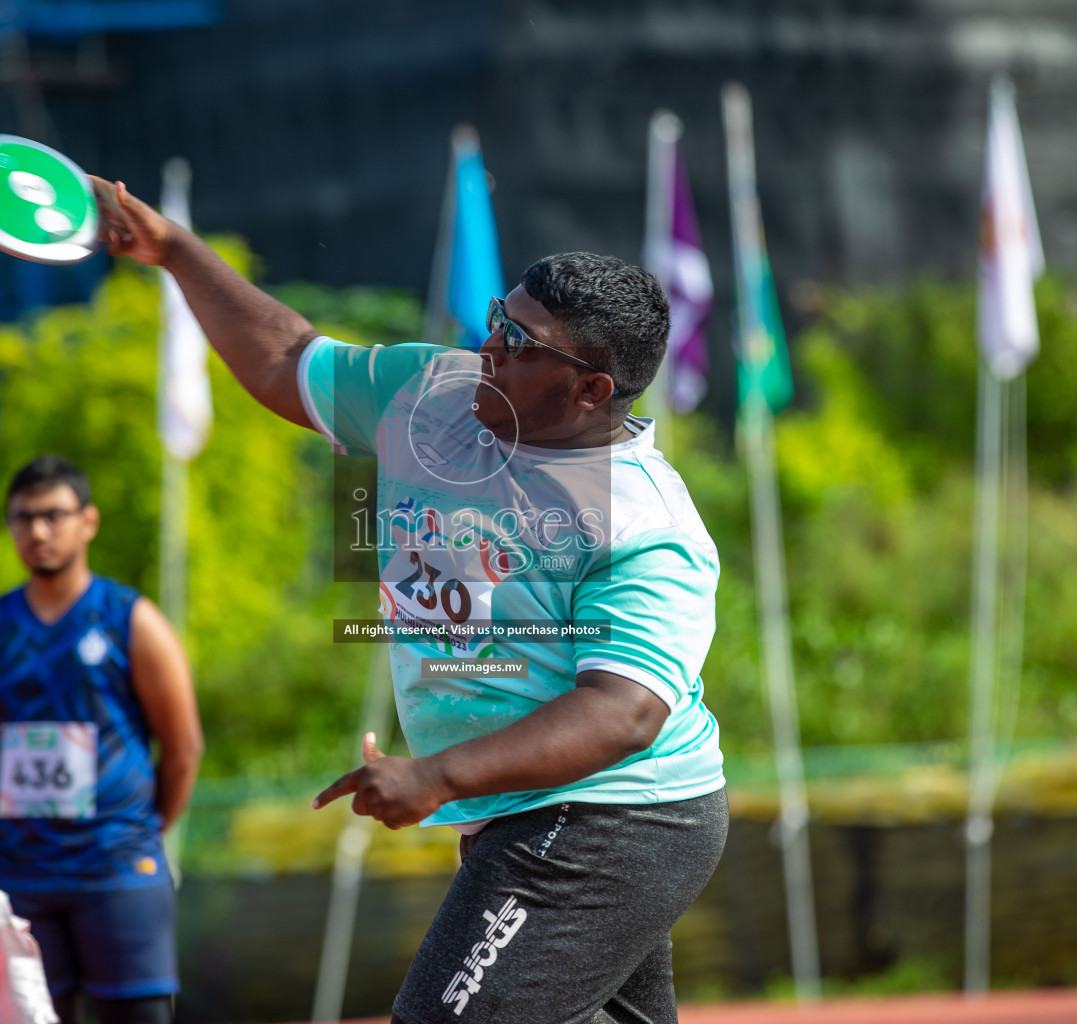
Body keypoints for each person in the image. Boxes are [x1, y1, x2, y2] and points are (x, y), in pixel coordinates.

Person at [94, 178, 728, 1024]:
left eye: (522, 342)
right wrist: (173, 249)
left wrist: (436, 774)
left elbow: (621, 715)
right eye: (501, 318)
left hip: (618, 814)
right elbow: (289, 358)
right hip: (530, 810)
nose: (491, 344)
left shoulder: (643, 521)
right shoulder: (432, 395)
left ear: (592, 391)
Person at [0, 455, 203, 1024]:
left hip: (119, 868)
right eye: (22, 518)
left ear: (87, 521)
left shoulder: (130, 620)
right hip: (24, 874)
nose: (37, 531)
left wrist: (140, 829)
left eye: (53, 515)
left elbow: (183, 748)